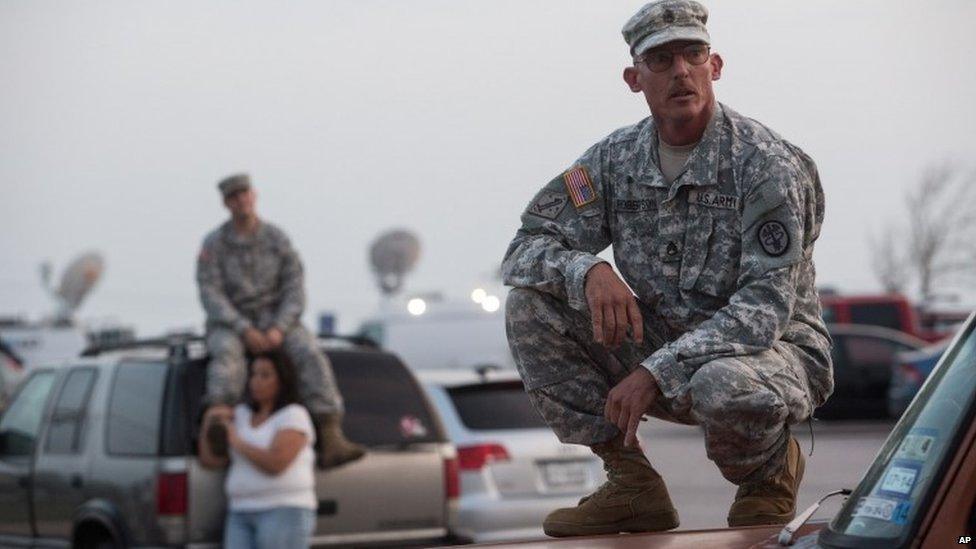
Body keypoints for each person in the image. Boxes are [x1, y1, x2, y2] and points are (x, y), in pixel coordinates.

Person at [502, 0, 832, 537]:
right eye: (661, 59)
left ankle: (768, 474)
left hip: (770, 354)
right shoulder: (614, 161)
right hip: (663, 344)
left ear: (715, 65)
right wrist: (588, 269)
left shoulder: (764, 163)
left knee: (722, 383)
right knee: (531, 305)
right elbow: (524, 249)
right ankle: (631, 483)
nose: (680, 70)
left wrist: (655, 372)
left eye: (692, 54)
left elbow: (762, 310)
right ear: (635, 78)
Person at [196, 173, 364, 468]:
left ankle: (329, 435)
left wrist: (278, 328)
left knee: (309, 354)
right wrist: (243, 328)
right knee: (226, 359)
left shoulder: (276, 238)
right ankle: (218, 431)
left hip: (278, 320)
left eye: (244, 193)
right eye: (234, 197)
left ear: (254, 195)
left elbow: (294, 286)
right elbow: (210, 294)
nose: (241, 200)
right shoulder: (215, 244)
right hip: (233, 325)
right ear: (226, 203)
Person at [199, 351, 317, 549]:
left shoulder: (293, 415)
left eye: (265, 375)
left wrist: (236, 441)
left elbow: (276, 463)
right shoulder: (242, 415)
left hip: (282, 510)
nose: (256, 381)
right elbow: (211, 461)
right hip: (240, 510)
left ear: (282, 380)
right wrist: (209, 421)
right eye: (253, 374)